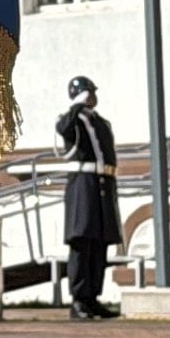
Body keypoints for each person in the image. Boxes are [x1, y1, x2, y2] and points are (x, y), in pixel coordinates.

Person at [54, 78, 121, 320]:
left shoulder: (100, 121)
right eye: (88, 93)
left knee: (100, 242)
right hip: (83, 185)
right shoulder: (73, 119)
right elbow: (63, 129)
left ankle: (92, 297)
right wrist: (76, 106)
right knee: (82, 242)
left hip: (103, 184)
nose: (92, 97)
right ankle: (79, 299)